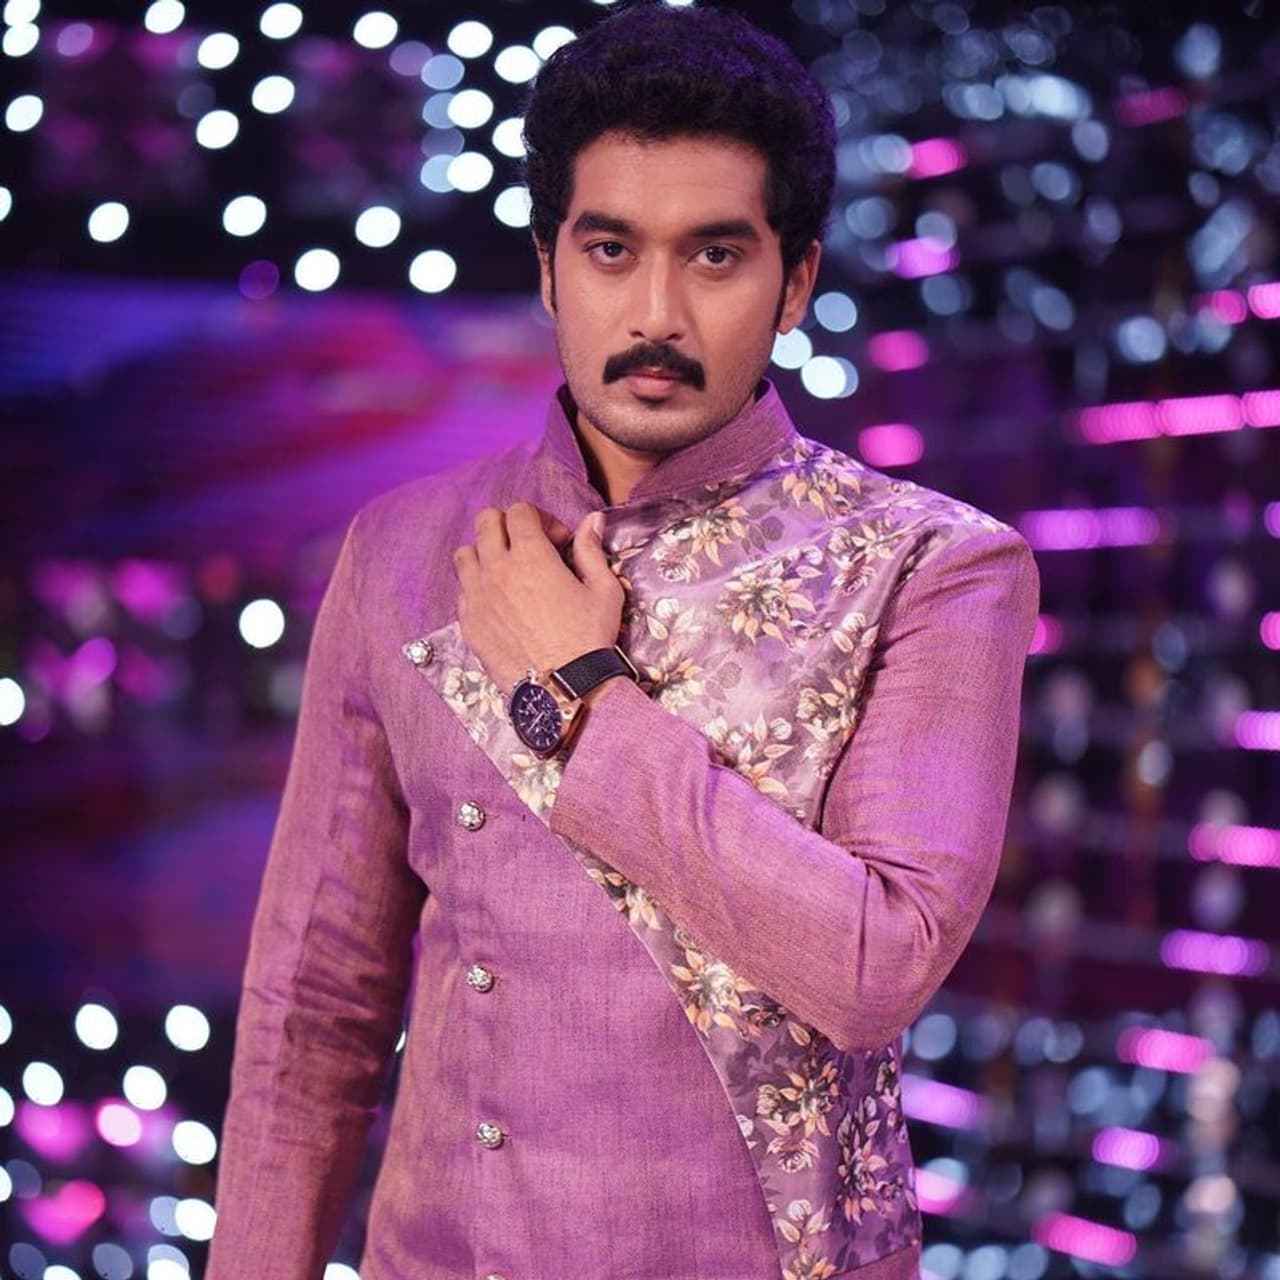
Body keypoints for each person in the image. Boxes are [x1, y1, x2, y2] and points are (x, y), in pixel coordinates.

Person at [205, 4, 1040, 1278]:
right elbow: (313, 1011)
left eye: (715, 256)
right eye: (609, 249)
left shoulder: (929, 566)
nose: (655, 311)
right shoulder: (404, 550)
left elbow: (874, 966)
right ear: (549, 266)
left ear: (794, 280)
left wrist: (578, 692)